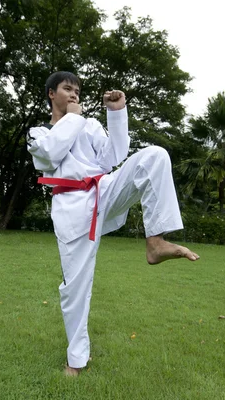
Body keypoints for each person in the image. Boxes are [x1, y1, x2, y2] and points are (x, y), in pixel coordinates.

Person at [27, 71, 199, 377]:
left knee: (155, 156)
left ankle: (156, 242)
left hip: (103, 189)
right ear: (52, 93)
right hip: (71, 209)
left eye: (78, 91)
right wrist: (74, 118)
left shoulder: (88, 125)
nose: (75, 95)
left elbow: (113, 157)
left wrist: (116, 114)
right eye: (68, 89)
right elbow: (51, 154)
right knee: (75, 288)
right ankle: (76, 360)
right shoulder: (38, 133)